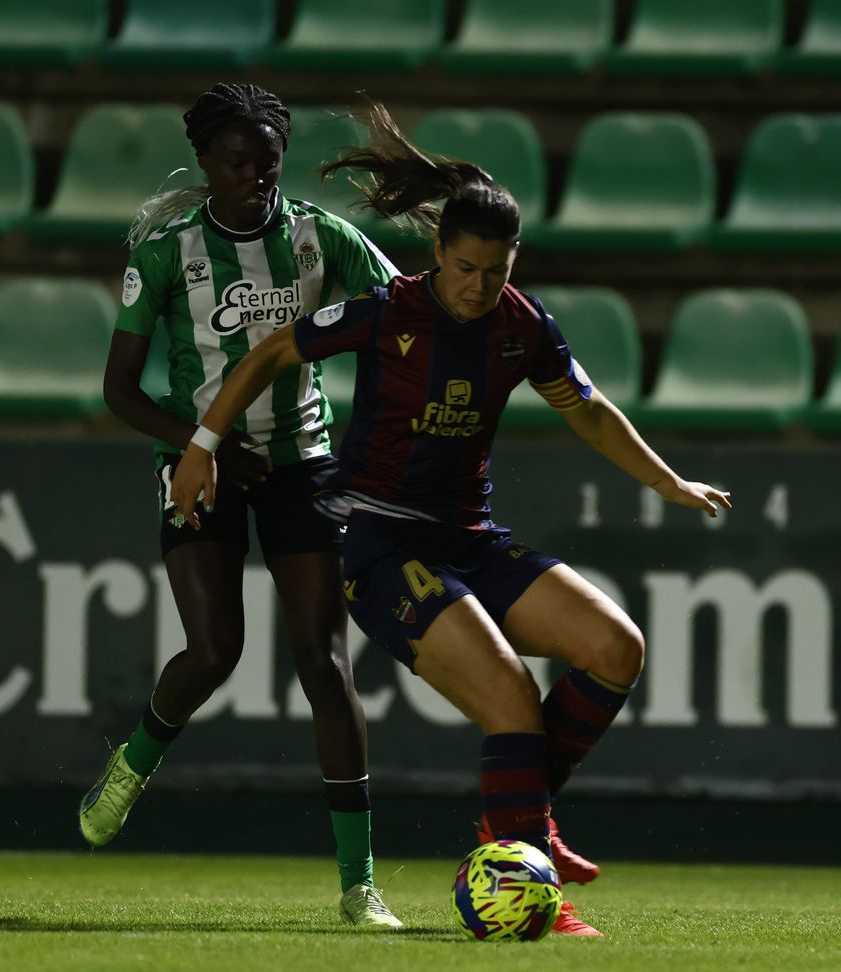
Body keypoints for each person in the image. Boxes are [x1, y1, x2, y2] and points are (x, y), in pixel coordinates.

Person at [170, 102, 733, 937]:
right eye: (465, 267)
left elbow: (588, 409)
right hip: (382, 547)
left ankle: (519, 817)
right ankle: (532, 878)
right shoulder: (389, 311)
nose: (478, 286)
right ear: (438, 251)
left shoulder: (522, 326)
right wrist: (203, 445)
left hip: (469, 539)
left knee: (617, 647)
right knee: (509, 694)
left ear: (514, 262)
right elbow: (269, 352)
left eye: (495, 270)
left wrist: (668, 481)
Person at [78, 83, 404, 930]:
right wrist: (201, 443)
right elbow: (120, 389)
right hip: (203, 465)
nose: (256, 177)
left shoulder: (320, 238)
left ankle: (358, 886)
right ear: (206, 163)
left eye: (268, 161)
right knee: (215, 650)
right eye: (238, 162)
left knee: (324, 663)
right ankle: (136, 759)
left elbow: (407, 317)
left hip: (304, 464)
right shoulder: (165, 252)